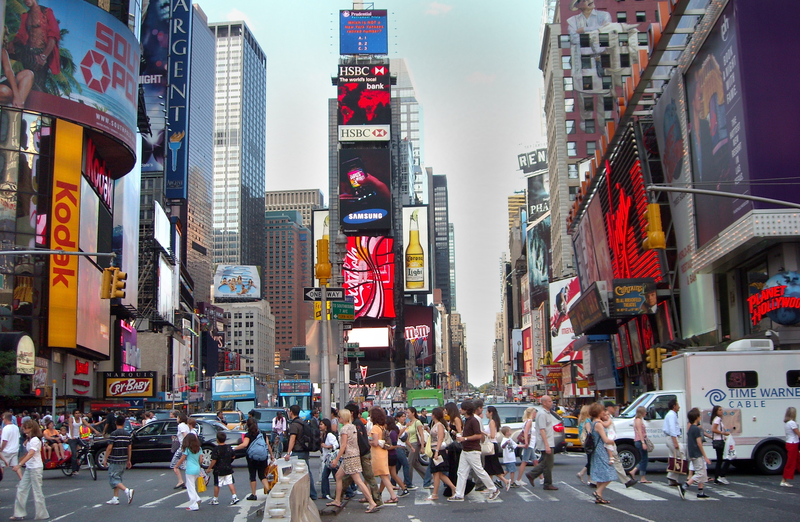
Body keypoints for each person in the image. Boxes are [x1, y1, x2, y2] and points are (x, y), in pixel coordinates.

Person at [326, 409, 378, 513]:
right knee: (338, 476)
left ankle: (372, 502)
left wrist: (336, 459)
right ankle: (337, 500)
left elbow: (344, 445)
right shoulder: (353, 427)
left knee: (358, 480)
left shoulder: (344, 429)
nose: (338, 418)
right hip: (354, 455)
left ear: (343, 418)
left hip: (348, 457)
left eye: (339, 417)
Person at [448, 400, 499, 502]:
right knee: (461, 472)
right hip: (466, 449)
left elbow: (479, 435)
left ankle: (493, 489)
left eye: (462, 408)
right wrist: (461, 435)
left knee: (479, 471)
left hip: (473, 450)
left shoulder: (473, 420)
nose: (460, 410)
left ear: (466, 410)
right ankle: (459, 494)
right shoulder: (467, 420)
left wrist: (464, 438)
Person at [340, 403, 382, 506]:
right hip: (359, 454)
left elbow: (358, 441)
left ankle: (376, 500)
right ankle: (338, 496)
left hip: (361, 454)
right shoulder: (355, 423)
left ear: (351, 413)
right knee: (348, 477)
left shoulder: (355, 424)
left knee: (366, 477)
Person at [10, 420, 48, 520]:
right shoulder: (30, 439)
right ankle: (19, 513)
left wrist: (19, 464)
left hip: (35, 467)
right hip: (30, 467)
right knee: (22, 489)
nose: (23, 429)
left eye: (26, 427)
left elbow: (31, 454)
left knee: (37, 491)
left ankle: (41, 514)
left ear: (31, 428)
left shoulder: (35, 440)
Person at [525, 395, 559, 490]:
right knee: (548, 463)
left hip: (549, 441)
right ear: (544, 403)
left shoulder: (547, 413)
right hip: (546, 442)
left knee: (545, 462)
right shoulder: (542, 414)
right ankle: (534, 476)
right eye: (549, 401)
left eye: (551, 401)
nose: (551, 403)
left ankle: (544, 481)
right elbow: (542, 430)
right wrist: (547, 445)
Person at [284, 404, 316, 500]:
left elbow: (292, 439)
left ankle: (301, 494)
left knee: (296, 473)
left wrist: (288, 452)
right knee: (307, 472)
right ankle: (312, 493)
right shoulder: (302, 422)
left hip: (297, 451)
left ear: (291, 412)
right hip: (304, 450)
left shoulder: (294, 425)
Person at [235, 417, 271, 500]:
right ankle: (268, 489)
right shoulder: (262, 433)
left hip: (252, 458)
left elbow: (244, 445)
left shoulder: (248, 434)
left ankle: (254, 494)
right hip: (263, 457)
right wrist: (271, 456)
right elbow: (267, 445)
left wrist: (234, 448)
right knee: (262, 475)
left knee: (252, 475)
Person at [368, 407, 399, 504]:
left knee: (372, 475)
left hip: (377, 454)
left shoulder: (375, 428)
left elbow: (375, 442)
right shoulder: (383, 427)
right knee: (384, 476)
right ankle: (393, 496)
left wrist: (369, 441)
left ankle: (371, 496)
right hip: (383, 452)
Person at [587, 403, 616, 504]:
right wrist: (612, 441)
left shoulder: (593, 422)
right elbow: (605, 439)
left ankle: (599, 496)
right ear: (599, 412)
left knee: (600, 474)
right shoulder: (598, 424)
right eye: (602, 410)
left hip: (596, 451)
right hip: (601, 450)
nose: (604, 412)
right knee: (610, 472)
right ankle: (598, 492)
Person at [426, 407, 457, 500]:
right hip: (435, 450)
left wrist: (436, 451)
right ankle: (453, 488)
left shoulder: (439, 425)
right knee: (438, 473)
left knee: (436, 472)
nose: (431, 416)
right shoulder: (435, 425)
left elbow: (440, 438)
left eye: (432, 414)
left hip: (438, 450)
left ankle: (435, 494)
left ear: (435, 415)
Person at [104, 416, 134, 505]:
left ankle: (127, 491)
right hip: (124, 459)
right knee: (118, 478)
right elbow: (129, 448)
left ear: (116, 423)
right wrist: (129, 460)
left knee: (113, 478)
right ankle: (115, 497)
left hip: (115, 459)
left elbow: (109, 447)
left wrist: (105, 459)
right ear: (124, 423)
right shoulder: (127, 434)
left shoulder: (114, 434)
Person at [682, 408, 711, 498]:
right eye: (699, 416)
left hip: (692, 453)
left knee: (703, 472)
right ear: (696, 418)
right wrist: (705, 456)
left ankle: (700, 491)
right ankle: (685, 486)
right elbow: (699, 443)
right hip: (697, 453)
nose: (700, 418)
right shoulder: (696, 429)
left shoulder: (691, 428)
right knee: (700, 473)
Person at [207, 432, 239, 505]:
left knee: (217, 484)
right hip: (228, 468)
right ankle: (234, 496)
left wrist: (209, 468)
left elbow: (214, 460)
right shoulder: (228, 447)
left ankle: (215, 498)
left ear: (217, 440)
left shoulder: (216, 449)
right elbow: (233, 456)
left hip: (218, 470)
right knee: (230, 482)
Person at [483, 406, 511, 491]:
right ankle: (491, 486)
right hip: (492, 445)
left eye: (487, 412)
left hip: (491, 445)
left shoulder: (492, 422)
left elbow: (492, 435)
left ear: (491, 412)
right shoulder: (492, 421)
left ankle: (503, 481)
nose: (485, 413)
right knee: (489, 467)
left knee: (492, 466)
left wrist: (482, 432)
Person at [174, 433, 203, 511]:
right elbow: (201, 460)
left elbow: (182, 458)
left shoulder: (187, 449)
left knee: (190, 487)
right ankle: (197, 498)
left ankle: (194, 504)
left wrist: (176, 466)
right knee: (192, 486)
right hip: (197, 469)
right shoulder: (199, 448)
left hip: (190, 469)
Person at [384, 415, 409, 497]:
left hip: (391, 455)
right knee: (393, 474)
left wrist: (386, 447)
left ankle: (381, 492)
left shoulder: (392, 433)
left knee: (385, 475)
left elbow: (394, 445)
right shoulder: (393, 431)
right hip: (393, 454)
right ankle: (404, 488)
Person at [663, 398, 684, 494]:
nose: (679, 406)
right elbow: (672, 428)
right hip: (672, 438)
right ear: (674, 406)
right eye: (678, 404)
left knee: (673, 457)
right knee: (680, 455)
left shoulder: (672, 414)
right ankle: (671, 476)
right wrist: (675, 441)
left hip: (671, 438)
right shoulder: (672, 415)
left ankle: (672, 479)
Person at [405, 407, 428, 486]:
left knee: (409, 462)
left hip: (415, 444)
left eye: (408, 413)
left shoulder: (417, 422)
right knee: (415, 463)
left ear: (413, 413)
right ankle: (427, 477)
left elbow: (422, 435)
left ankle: (408, 482)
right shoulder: (409, 422)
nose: (407, 414)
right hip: (409, 444)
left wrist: (422, 446)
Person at [515, 407, 537, 486]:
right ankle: (518, 479)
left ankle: (542, 478)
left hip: (531, 444)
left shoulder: (527, 421)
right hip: (530, 444)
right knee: (525, 461)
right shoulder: (529, 421)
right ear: (532, 413)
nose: (535, 414)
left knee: (535, 461)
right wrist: (526, 442)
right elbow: (526, 432)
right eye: (534, 412)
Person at [710, 404, 732, 485]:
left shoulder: (717, 419)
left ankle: (718, 477)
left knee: (720, 459)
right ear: (716, 411)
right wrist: (723, 433)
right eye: (719, 410)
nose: (721, 411)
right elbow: (714, 429)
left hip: (719, 440)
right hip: (719, 441)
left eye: (721, 409)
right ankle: (720, 476)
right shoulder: (717, 419)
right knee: (723, 459)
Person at [394, 411, 414, 490]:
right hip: (398, 448)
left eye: (404, 416)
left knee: (397, 467)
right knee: (406, 465)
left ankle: (393, 482)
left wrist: (411, 446)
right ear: (398, 418)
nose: (404, 418)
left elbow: (405, 439)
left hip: (402, 447)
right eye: (402, 416)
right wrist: (406, 426)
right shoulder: (398, 426)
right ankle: (408, 483)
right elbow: (398, 435)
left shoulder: (402, 426)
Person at [320, 418, 339, 500]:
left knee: (327, 476)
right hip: (328, 459)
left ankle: (326, 493)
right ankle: (325, 493)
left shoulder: (329, 435)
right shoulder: (323, 434)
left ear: (326, 426)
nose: (320, 426)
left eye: (321, 424)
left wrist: (326, 446)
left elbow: (336, 445)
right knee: (335, 476)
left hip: (331, 459)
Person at [781, 407, 800, 487]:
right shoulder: (792, 423)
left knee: (798, 461)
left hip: (790, 443)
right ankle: (784, 480)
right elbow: (798, 433)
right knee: (791, 462)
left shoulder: (787, 423)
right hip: (793, 443)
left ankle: (785, 480)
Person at [1, 411, 22, 480]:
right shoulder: (16, 427)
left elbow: (5, 441)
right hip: (14, 449)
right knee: (15, 465)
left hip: (6, 450)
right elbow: (18, 437)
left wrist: (1, 449)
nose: (3, 420)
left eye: (3, 419)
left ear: (6, 419)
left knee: (1, 465)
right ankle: (21, 479)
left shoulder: (6, 428)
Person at [633, 406, 652, 483]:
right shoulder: (638, 420)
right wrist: (643, 442)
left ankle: (634, 471)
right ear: (642, 413)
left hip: (639, 440)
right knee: (644, 459)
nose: (646, 413)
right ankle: (642, 477)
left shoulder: (638, 420)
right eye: (645, 411)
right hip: (640, 440)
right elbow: (640, 432)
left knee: (643, 459)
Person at [171, 413, 190, 489]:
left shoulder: (180, 425)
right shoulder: (186, 425)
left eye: (177, 418)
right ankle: (203, 476)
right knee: (187, 464)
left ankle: (180, 481)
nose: (176, 419)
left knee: (174, 464)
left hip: (182, 447)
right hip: (185, 447)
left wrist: (185, 445)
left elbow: (185, 435)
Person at [576, 405, 592, 485]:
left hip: (583, 442)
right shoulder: (588, 420)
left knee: (590, 459)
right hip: (589, 442)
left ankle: (581, 473)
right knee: (590, 460)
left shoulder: (581, 420)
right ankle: (589, 478)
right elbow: (589, 432)